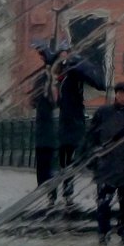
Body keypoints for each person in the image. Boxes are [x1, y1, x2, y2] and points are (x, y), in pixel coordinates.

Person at [82, 81, 124, 246]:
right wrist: (94, 157)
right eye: (121, 93)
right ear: (116, 94)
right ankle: (104, 232)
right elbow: (92, 137)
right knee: (104, 204)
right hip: (106, 166)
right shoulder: (103, 112)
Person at [54, 44, 107, 205]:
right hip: (65, 119)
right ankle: (66, 188)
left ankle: (95, 187)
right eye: (61, 54)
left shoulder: (75, 73)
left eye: (65, 54)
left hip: (75, 120)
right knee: (64, 157)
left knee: (78, 155)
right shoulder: (62, 76)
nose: (63, 57)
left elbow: (97, 84)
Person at [31, 45, 60, 204]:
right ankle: (47, 192)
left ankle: (49, 193)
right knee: (45, 163)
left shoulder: (50, 80)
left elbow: (53, 100)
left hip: (49, 130)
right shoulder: (45, 79)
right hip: (44, 129)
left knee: (47, 164)